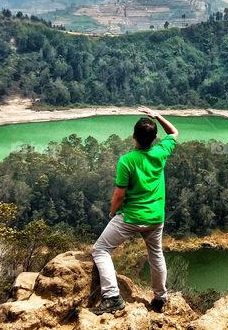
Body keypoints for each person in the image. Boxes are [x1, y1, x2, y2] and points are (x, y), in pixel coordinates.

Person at [89, 106, 178, 315]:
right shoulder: (160, 152)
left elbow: (119, 195)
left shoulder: (127, 161)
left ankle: (112, 297)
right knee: (156, 255)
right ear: (155, 137)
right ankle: (159, 299)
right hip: (156, 217)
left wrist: (112, 213)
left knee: (100, 250)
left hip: (131, 217)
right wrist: (158, 116)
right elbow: (174, 133)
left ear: (133, 136)